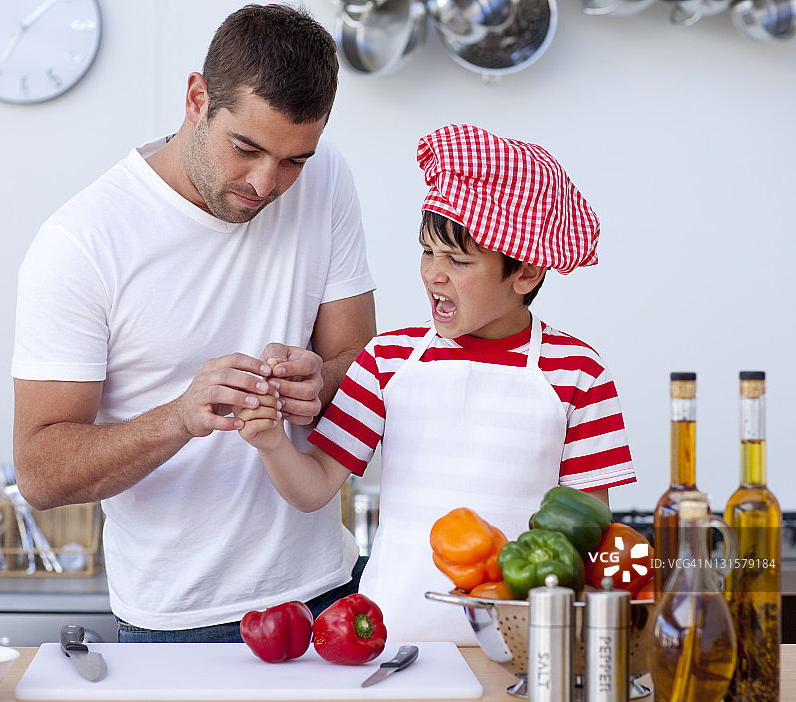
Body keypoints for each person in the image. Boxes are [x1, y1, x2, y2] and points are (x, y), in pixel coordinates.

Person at [11, 4, 376, 643]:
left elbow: (360, 360)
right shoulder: (82, 244)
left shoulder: (325, 177)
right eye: (247, 148)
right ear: (196, 97)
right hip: (178, 622)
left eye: (294, 159)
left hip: (330, 593)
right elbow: (40, 471)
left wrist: (320, 383)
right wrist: (179, 417)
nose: (268, 183)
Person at [233, 123, 636, 644]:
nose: (433, 275)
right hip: (393, 641)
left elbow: (590, 531)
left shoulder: (579, 372)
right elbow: (314, 488)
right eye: (428, 252)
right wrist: (269, 444)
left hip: (526, 642)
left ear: (527, 273)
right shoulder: (388, 359)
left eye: (458, 261)